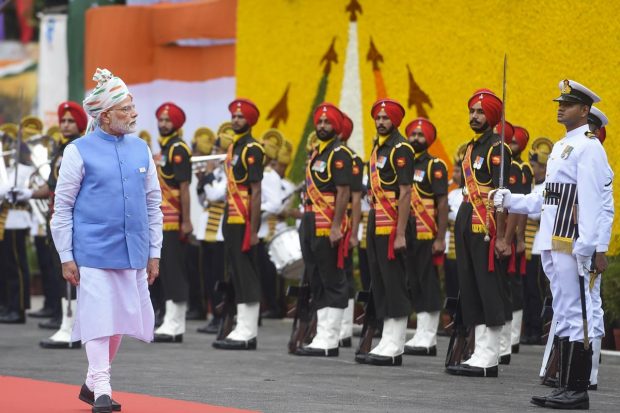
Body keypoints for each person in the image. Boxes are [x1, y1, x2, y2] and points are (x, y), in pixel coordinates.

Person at [50, 68, 162, 412]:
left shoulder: (142, 148)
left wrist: (154, 253)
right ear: (105, 115)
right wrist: (66, 255)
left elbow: (153, 203)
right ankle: (102, 388)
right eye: (126, 108)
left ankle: (90, 382)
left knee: (120, 321)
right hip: (92, 252)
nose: (134, 113)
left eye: (132, 106)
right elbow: (62, 206)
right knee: (99, 317)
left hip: (134, 251)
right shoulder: (77, 151)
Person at [494, 79, 608, 409]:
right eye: (559, 102)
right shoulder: (561, 147)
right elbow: (548, 197)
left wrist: (589, 246)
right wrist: (510, 200)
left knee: (576, 313)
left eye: (568, 104)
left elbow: (593, 199)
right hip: (552, 239)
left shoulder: (589, 147)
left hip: (571, 242)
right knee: (563, 311)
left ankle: (576, 389)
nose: (560, 107)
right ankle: (564, 385)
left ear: (585, 111)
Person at [446, 89, 511, 378]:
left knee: (488, 289)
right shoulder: (473, 148)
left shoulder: (499, 149)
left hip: (486, 228)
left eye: (480, 112)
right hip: (466, 222)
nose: (474, 116)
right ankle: (479, 350)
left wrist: (503, 237)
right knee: (471, 288)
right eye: (472, 111)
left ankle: (490, 355)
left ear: (493, 116)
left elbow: (502, 197)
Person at [20, 102, 89, 348]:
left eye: (71, 121)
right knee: (62, 272)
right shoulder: (62, 149)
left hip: (70, 220)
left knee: (71, 273)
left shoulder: (78, 148)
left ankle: (71, 328)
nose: (65, 125)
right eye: (63, 121)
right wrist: (27, 194)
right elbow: (52, 186)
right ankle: (67, 323)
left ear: (80, 125)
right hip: (56, 218)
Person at [356, 98, 414, 366]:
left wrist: (400, 233)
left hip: (393, 223)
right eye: (378, 118)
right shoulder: (378, 148)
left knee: (394, 282)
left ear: (395, 121)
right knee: (379, 280)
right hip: (376, 220)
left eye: (385, 118)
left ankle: (395, 342)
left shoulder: (401, 148)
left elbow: (405, 193)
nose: (380, 122)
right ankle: (386, 338)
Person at [295, 103, 352, 357]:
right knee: (316, 277)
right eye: (319, 122)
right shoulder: (318, 153)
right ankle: (321, 335)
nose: (322, 126)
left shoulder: (339, 153)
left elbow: (343, 192)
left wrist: (337, 225)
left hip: (327, 223)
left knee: (333, 280)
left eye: (328, 123)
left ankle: (330, 338)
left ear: (336, 127)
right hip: (309, 222)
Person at [212, 98, 265, 350]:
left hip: (244, 219)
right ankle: (241, 325)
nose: (236, 120)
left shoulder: (253, 148)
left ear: (250, 121)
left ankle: (248, 330)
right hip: (231, 217)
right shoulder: (235, 147)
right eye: (234, 116)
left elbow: (256, 192)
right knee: (235, 272)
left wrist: (253, 230)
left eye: (241, 117)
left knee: (247, 274)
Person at [403, 117, 448, 357]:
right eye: (413, 134)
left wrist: (440, 238)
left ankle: (429, 336)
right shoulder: (404, 164)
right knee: (414, 282)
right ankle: (420, 332)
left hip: (426, 233)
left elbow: (442, 204)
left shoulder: (435, 166)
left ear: (428, 140)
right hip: (407, 235)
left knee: (428, 283)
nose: (416, 139)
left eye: (421, 135)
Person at [152, 102, 192, 343]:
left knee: (175, 271)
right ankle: (169, 319)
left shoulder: (179, 149)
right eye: (161, 120)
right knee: (165, 270)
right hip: (160, 221)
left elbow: (185, 188)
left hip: (174, 220)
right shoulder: (164, 149)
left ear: (176, 125)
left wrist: (186, 221)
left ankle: (176, 323)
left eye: (168, 121)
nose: (163, 124)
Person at [0, 117, 38, 324]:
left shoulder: (23, 169)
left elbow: (16, 191)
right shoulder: (6, 170)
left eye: (9, 143)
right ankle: (8, 305)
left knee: (16, 266)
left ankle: (19, 308)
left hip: (16, 220)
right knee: (6, 266)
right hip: (5, 222)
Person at [196, 125, 233, 334]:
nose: (211, 154)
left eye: (216, 150)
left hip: (219, 232)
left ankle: (223, 317)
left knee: (219, 277)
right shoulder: (216, 173)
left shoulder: (228, 173)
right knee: (208, 277)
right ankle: (213, 316)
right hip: (206, 229)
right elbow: (203, 200)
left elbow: (217, 195)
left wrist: (208, 177)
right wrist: (201, 183)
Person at [586, 106, 612, 391]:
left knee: (591, 309)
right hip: (572, 245)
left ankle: (588, 374)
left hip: (590, 247)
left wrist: (601, 249)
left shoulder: (600, 163)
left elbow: (605, 211)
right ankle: (569, 371)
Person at [521, 137, 554, 347]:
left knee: (537, 290)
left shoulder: (546, 187)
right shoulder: (531, 186)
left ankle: (538, 329)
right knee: (527, 289)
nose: (533, 169)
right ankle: (530, 328)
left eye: (535, 166)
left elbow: (537, 212)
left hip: (539, 243)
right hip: (526, 243)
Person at [337, 113, 363, 348]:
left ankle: (344, 329)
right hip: (327, 224)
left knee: (344, 273)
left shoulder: (353, 160)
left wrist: (354, 232)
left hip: (342, 225)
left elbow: (355, 200)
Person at [257, 128, 284, 319]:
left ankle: (273, 306)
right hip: (257, 231)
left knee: (268, 274)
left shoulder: (270, 175)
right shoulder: (260, 172)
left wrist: (257, 207)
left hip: (265, 231)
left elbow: (275, 204)